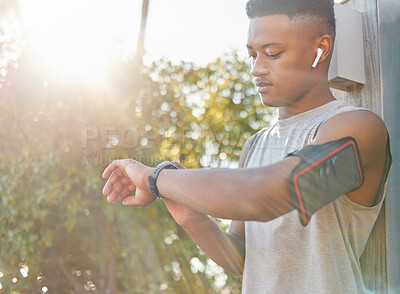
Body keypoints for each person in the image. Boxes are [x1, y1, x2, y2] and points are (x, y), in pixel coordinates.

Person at [102, 0, 392, 293]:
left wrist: (156, 178)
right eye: (252, 54)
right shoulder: (255, 146)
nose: (257, 69)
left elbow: (261, 196)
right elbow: (243, 258)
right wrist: (192, 217)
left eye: (272, 53)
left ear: (321, 49)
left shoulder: (359, 130)